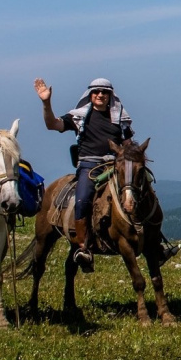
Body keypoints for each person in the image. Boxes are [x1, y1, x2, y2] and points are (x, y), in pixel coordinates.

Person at [36, 76, 130, 270]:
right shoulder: (79, 116)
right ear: (90, 94)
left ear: (110, 95)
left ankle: (154, 241)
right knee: (83, 198)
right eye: (96, 91)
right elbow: (52, 124)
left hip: (115, 165)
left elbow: (127, 144)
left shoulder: (120, 118)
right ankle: (83, 247)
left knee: (140, 187)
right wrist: (46, 103)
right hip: (90, 166)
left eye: (104, 92)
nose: (100, 95)